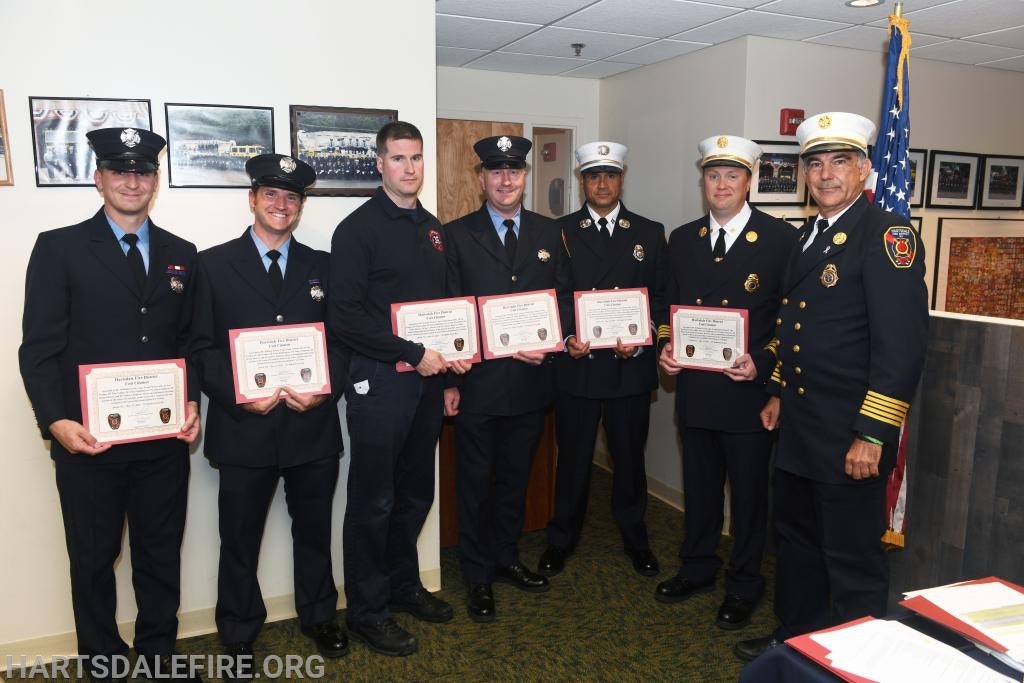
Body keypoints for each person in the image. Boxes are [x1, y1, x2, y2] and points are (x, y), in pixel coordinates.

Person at [735, 112, 928, 661]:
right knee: (796, 546)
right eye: (815, 163)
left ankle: (856, 660)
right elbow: (797, 329)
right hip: (799, 428)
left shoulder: (886, 235)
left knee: (851, 559)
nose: (825, 174)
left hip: (850, 435)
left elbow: (901, 348)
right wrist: (775, 390)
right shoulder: (808, 236)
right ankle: (796, 642)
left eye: (840, 161)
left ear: (864, 169)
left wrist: (872, 433)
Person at [19, 127, 201, 683]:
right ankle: (103, 664)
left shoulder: (181, 254)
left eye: (143, 171)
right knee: (94, 562)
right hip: (88, 442)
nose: (131, 181)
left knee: (159, 556)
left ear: (155, 181)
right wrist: (55, 420)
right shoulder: (59, 248)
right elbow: (39, 348)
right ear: (98, 178)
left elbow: (191, 341)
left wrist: (190, 401)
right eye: (120, 171)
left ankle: (158, 658)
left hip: (162, 441)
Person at [189, 154, 348, 679]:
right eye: (272, 195)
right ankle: (237, 630)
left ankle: (319, 615)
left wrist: (326, 391)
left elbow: (342, 343)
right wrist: (237, 392)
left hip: (311, 427)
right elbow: (201, 347)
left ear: (301, 207)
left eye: (292, 197)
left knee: (314, 531)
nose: (282, 205)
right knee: (238, 538)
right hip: (244, 431)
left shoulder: (323, 267)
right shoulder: (209, 265)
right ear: (252, 199)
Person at [330, 121, 469, 656]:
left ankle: (403, 584)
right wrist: (412, 352)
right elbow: (344, 316)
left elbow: (448, 309)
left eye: (416, 159)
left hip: (431, 385)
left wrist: (452, 375)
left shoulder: (434, 229)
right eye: (398, 158)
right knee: (374, 500)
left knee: (415, 493)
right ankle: (367, 610)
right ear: (379, 164)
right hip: (380, 384)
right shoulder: (357, 229)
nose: (409, 168)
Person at [655, 136, 796, 631]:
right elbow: (669, 310)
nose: (721, 184)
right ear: (703, 182)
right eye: (713, 175)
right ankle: (696, 567)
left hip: (748, 395)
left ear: (749, 181)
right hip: (696, 392)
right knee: (701, 489)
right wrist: (665, 349)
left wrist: (765, 364)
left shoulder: (781, 240)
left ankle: (743, 584)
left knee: (749, 497)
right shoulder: (683, 239)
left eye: (731, 175)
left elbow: (791, 321)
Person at [443, 135, 573, 622]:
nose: (505, 180)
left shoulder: (548, 232)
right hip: (479, 383)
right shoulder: (455, 235)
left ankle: (505, 556)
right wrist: (450, 382)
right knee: (475, 481)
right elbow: (452, 310)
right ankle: (478, 575)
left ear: (525, 176)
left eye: (513, 171)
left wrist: (552, 339)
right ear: (481, 179)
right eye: (495, 171)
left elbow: (562, 298)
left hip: (531, 383)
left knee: (516, 479)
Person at [537, 141, 667, 579]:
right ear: (582, 182)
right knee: (572, 461)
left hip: (629, 369)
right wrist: (570, 334)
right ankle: (561, 540)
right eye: (594, 176)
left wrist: (644, 336)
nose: (602, 184)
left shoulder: (649, 232)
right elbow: (554, 296)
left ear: (621, 179)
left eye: (610, 175)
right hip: (579, 368)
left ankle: (636, 539)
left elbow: (661, 301)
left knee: (630, 463)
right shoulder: (559, 231)